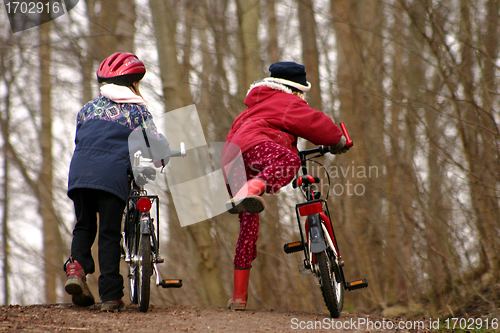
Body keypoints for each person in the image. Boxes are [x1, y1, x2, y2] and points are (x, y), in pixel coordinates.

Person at [223, 61, 350, 310]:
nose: (302, 97)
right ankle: (252, 189)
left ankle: (239, 297)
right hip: (256, 147)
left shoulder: (254, 107)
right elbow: (316, 124)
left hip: (231, 157)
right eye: (302, 92)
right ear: (295, 89)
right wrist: (339, 141)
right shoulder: (285, 101)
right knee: (289, 159)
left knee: (248, 224)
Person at [64, 52, 170, 312]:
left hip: (79, 174)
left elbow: (81, 139)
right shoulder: (138, 112)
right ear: (133, 84)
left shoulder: (88, 108)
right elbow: (155, 145)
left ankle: (76, 268)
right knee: (109, 234)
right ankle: (111, 297)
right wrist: (162, 157)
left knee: (85, 225)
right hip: (112, 177)